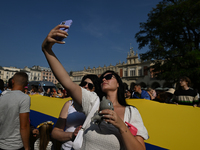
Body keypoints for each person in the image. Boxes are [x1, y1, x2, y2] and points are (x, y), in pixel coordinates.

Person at [42, 24, 148, 150]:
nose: (104, 78)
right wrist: (47, 49)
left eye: (109, 77)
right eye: (102, 77)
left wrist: (121, 125)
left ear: (118, 83)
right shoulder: (93, 103)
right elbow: (68, 82)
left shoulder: (132, 112)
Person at [51, 74, 102, 150]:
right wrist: (72, 135)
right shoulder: (69, 104)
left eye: (90, 86)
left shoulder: (98, 107)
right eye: (84, 84)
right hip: (67, 148)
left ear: (95, 89)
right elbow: (55, 133)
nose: (85, 86)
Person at [0, 72, 30, 150]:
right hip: (15, 144)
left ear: (12, 81)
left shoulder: (2, 97)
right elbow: (24, 126)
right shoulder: (24, 98)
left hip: (1, 142)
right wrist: (27, 147)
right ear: (26, 84)